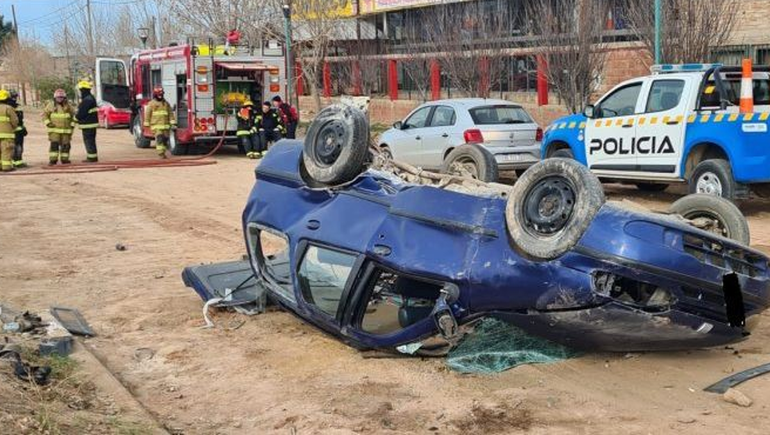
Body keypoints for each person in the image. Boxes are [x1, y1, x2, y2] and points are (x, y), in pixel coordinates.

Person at [43, 89, 76, 165]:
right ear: (55, 98)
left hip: (66, 131)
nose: (60, 99)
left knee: (66, 145)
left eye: (61, 97)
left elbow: (74, 116)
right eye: (58, 97)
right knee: (54, 145)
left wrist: (72, 125)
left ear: (64, 98)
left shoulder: (69, 106)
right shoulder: (51, 105)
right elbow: (44, 115)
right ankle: (53, 160)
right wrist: (48, 123)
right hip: (54, 131)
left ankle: (65, 159)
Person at [143, 85, 176, 158]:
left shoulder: (166, 103)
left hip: (166, 127)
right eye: (158, 94)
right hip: (156, 126)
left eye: (161, 94)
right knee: (159, 138)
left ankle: (163, 152)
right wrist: (146, 123)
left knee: (165, 140)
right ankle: (161, 154)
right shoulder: (151, 104)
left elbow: (170, 113)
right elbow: (148, 114)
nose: (160, 96)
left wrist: (173, 122)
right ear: (155, 95)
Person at [75, 80, 99, 162]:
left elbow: (81, 113)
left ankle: (92, 158)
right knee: (91, 141)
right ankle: (92, 157)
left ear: (83, 90)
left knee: (89, 141)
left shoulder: (87, 100)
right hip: (91, 124)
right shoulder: (90, 98)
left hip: (88, 125)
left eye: (80, 90)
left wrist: (74, 119)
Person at [0, 89, 20, 172]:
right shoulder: (9, 108)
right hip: (6, 134)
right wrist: (14, 128)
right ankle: (6, 167)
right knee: (6, 150)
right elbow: (15, 121)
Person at [8, 90, 27, 169]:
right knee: (12, 147)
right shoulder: (7, 107)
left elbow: (20, 120)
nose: (14, 98)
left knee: (19, 147)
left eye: (15, 97)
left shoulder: (18, 106)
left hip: (18, 131)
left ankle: (18, 162)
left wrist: (23, 128)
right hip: (10, 131)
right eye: (12, 97)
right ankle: (14, 162)